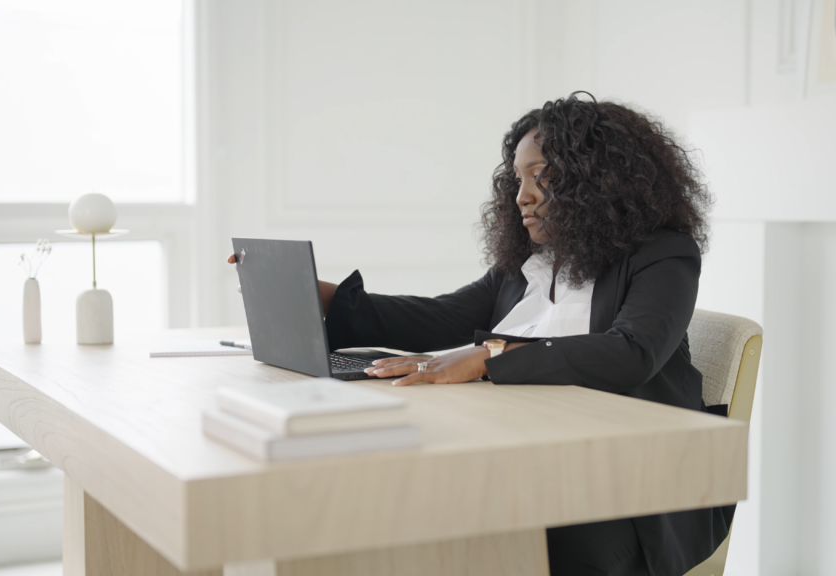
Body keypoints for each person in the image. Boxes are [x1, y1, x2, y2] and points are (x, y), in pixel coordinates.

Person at [229, 92, 732, 576]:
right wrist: (319, 294)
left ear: (599, 181)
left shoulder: (665, 254)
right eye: (516, 179)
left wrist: (490, 356)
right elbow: (433, 317)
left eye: (542, 177)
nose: (522, 196)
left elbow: (632, 352)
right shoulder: (525, 267)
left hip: (631, 487)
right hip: (529, 462)